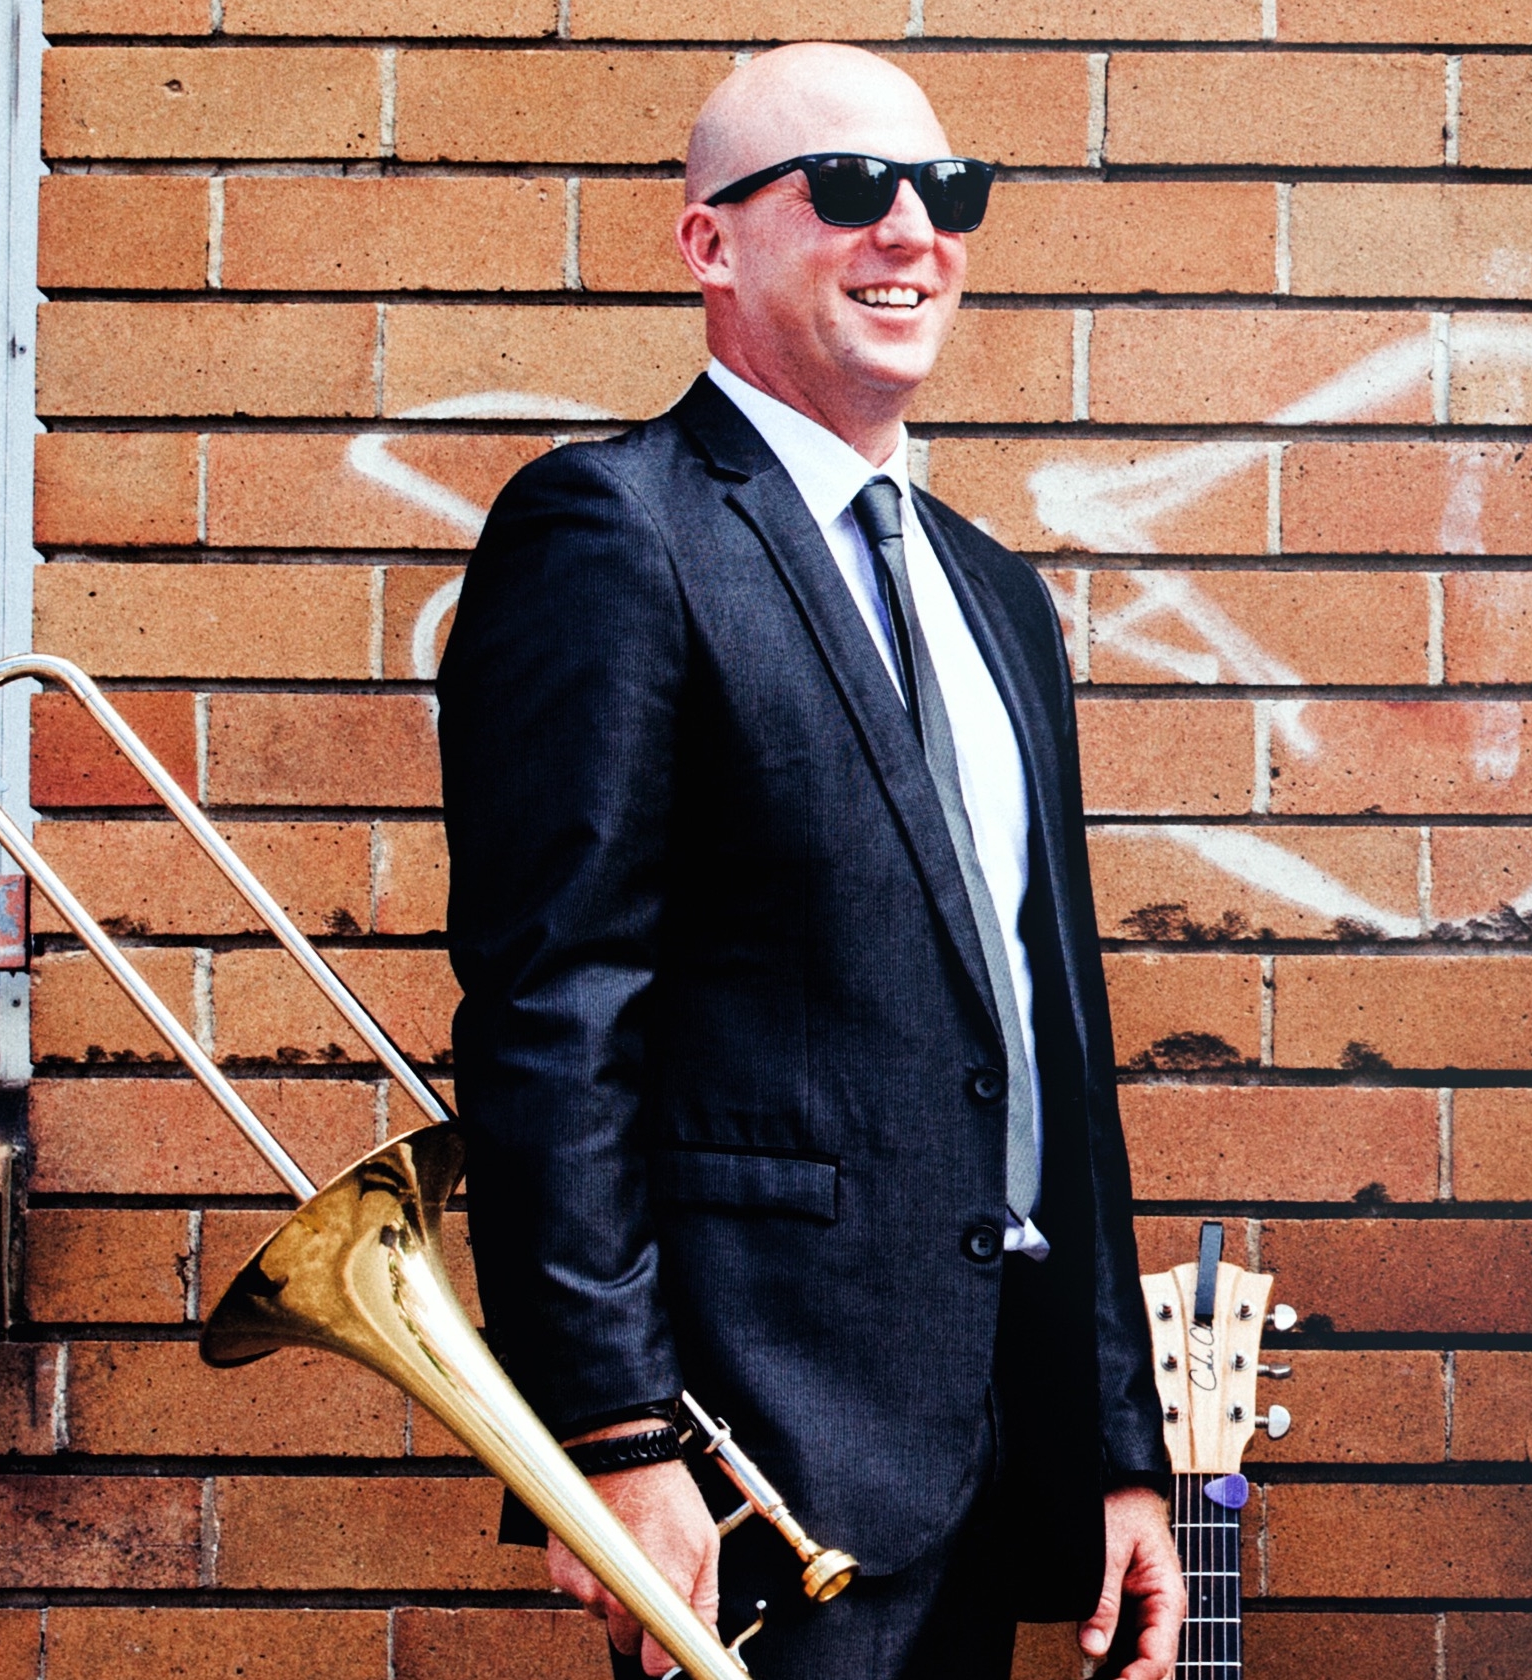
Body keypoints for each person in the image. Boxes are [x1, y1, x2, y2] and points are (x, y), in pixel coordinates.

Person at [437, 41, 1183, 1680]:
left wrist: (1119, 1445)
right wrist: (614, 1436)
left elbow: (1052, 1047)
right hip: (751, 1461)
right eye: (849, 187)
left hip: (992, 1447)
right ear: (707, 243)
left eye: (948, 193)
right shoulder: (611, 530)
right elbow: (556, 1012)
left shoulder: (998, 594)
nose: (912, 231)